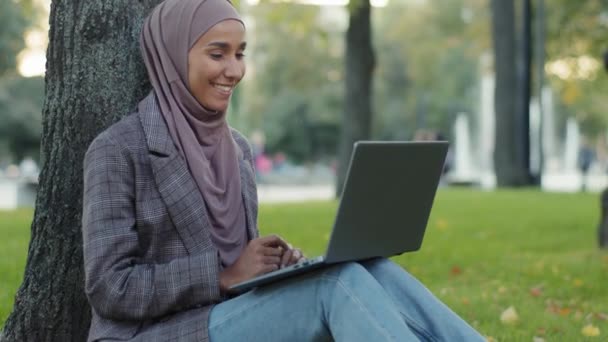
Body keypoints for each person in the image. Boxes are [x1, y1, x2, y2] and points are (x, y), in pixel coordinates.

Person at [81, 0, 485, 341]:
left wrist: (274, 268)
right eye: (217, 53)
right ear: (172, 56)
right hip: (156, 333)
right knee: (336, 284)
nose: (234, 70)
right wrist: (222, 275)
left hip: (227, 316)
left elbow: (238, 268)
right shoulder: (119, 149)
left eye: (240, 54)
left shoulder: (234, 149)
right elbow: (109, 287)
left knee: (369, 267)